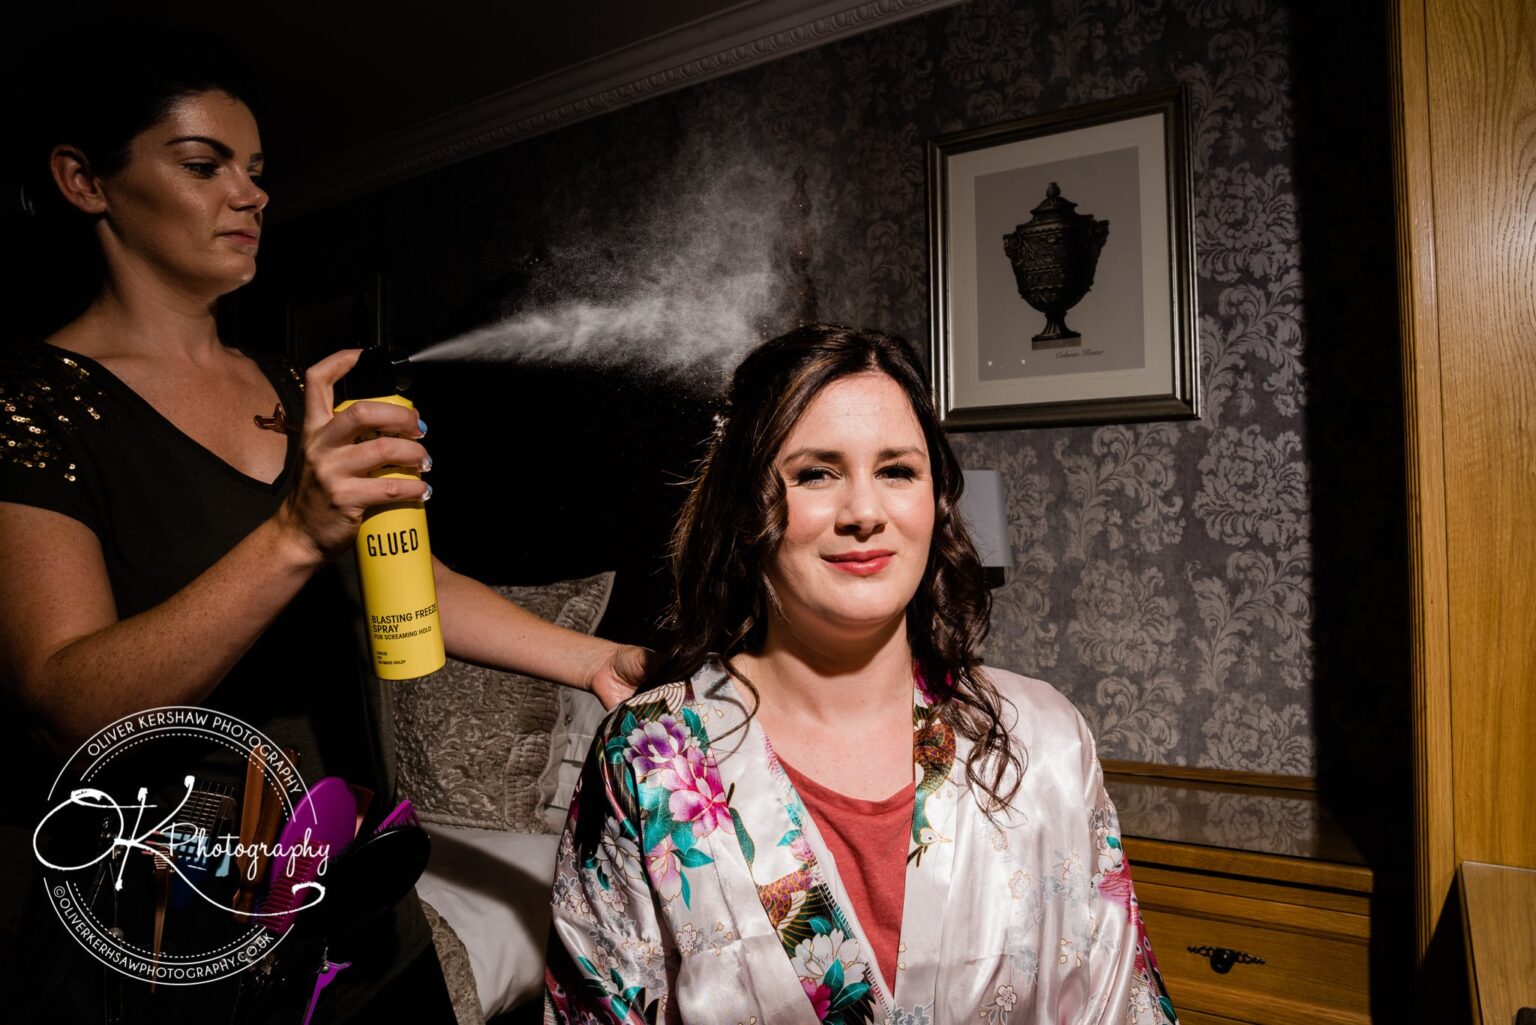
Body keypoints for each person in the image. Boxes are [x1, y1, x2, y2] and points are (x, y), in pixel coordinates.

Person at [0, 23, 643, 1023]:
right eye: (204, 164)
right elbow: (67, 702)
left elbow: (400, 580)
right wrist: (295, 530)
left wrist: (597, 657)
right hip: (170, 923)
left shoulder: (293, 390)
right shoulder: (36, 402)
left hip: (354, 891)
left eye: (255, 169)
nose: (251, 193)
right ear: (86, 181)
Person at [544, 324, 1179, 1024]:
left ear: (935, 501)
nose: (865, 513)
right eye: (817, 472)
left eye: (897, 470)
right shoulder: (646, 757)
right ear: (746, 503)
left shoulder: (1046, 741)